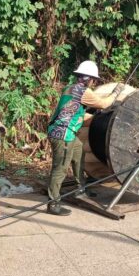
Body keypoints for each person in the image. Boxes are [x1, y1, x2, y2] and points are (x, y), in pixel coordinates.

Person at [46, 60, 123, 216]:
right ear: (89, 79)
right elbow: (103, 104)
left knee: (79, 152)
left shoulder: (70, 88)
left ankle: (80, 189)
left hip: (65, 133)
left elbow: (76, 113)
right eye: (93, 79)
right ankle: (53, 204)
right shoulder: (83, 92)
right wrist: (116, 92)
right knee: (60, 169)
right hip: (63, 135)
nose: (94, 82)